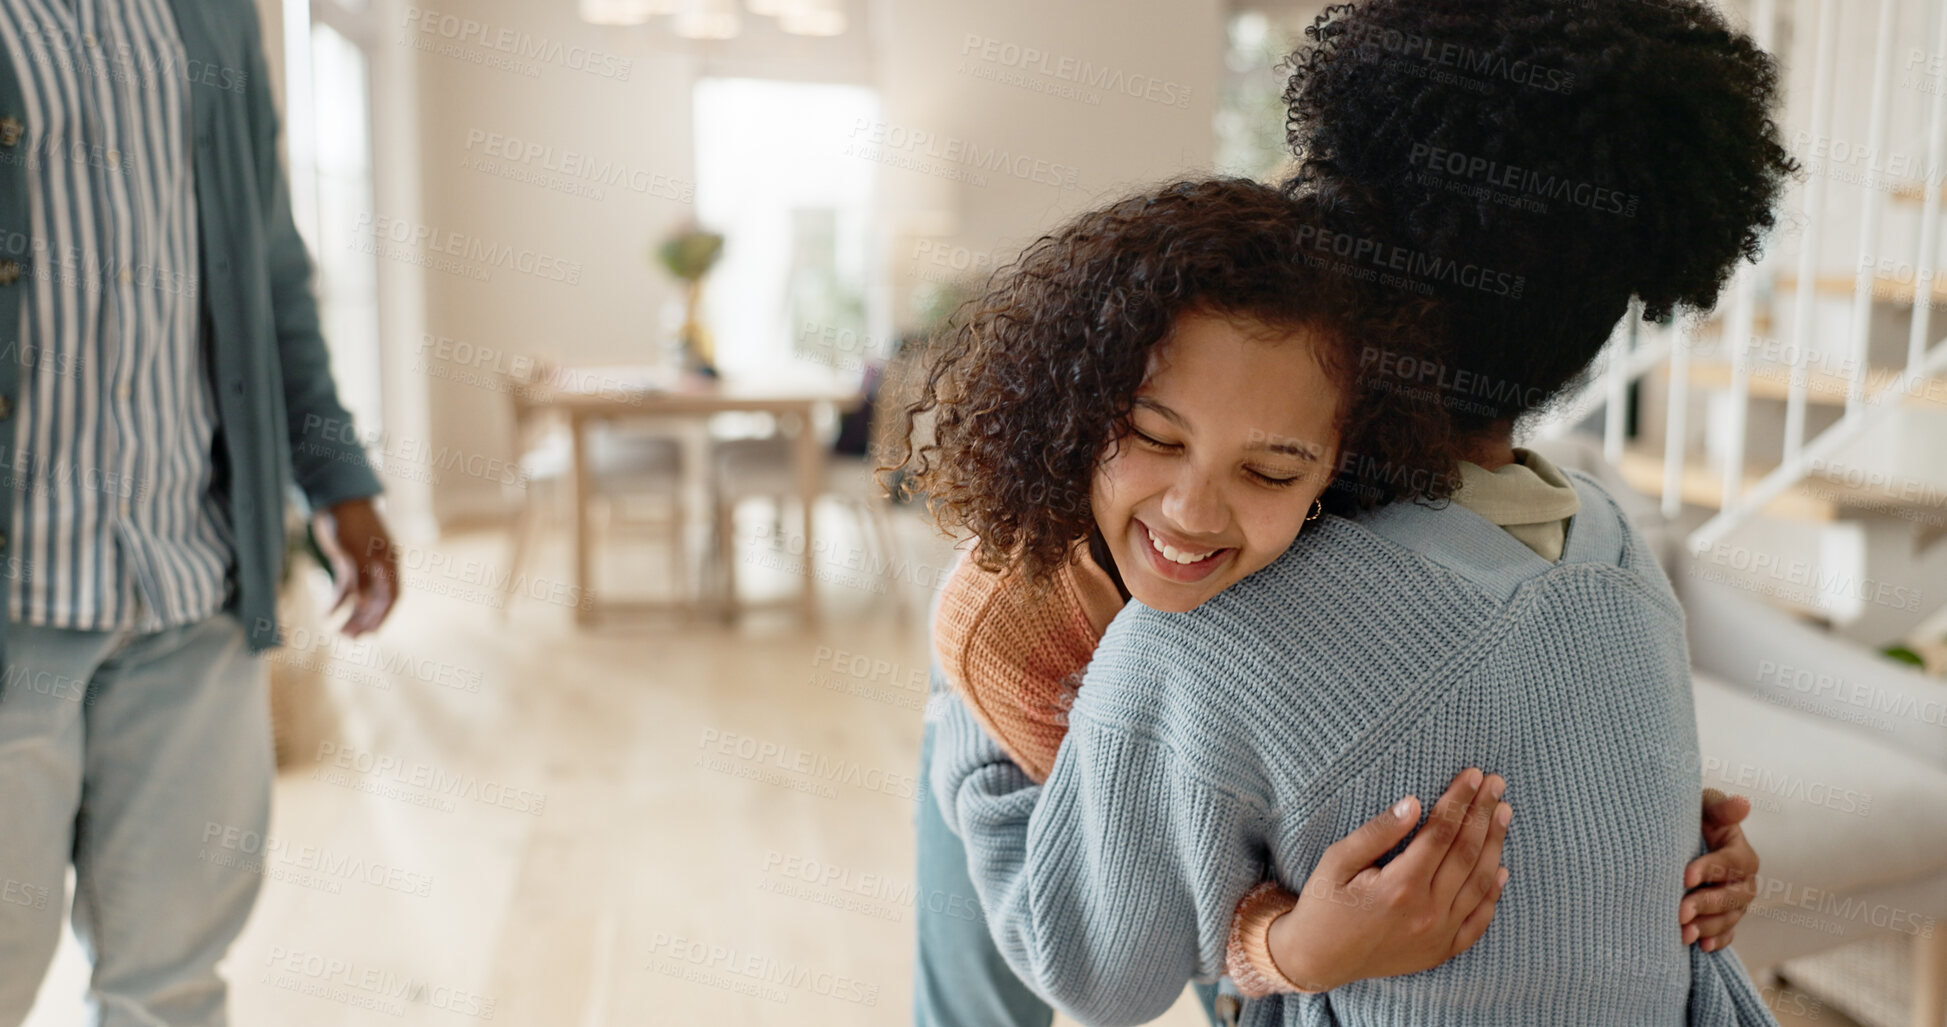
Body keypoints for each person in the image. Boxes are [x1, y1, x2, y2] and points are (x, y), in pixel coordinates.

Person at [904, 0, 1790, 1021]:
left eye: (1274, 469)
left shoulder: (1197, 645)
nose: (1201, 502)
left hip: (1166, 889)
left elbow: (1095, 972)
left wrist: (971, 710)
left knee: (968, 703)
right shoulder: (1622, 554)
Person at [0, 2, 396, 1024]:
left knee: (172, 984)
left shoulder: (216, 15)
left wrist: (336, 475)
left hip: (191, 580)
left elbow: (269, 267)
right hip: (17, 596)